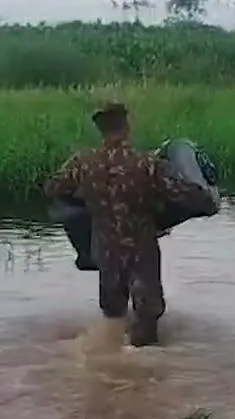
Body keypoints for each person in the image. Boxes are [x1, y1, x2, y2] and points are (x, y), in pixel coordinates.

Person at [44, 101, 217, 347]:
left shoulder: (83, 164)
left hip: (104, 249)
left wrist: (85, 200)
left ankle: (110, 366)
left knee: (113, 317)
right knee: (147, 317)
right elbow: (188, 196)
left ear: (101, 130)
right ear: (126, 127)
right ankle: (143, 370)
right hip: (140, 249)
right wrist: (208, 195)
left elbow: (53, 188)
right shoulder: (146, 164)